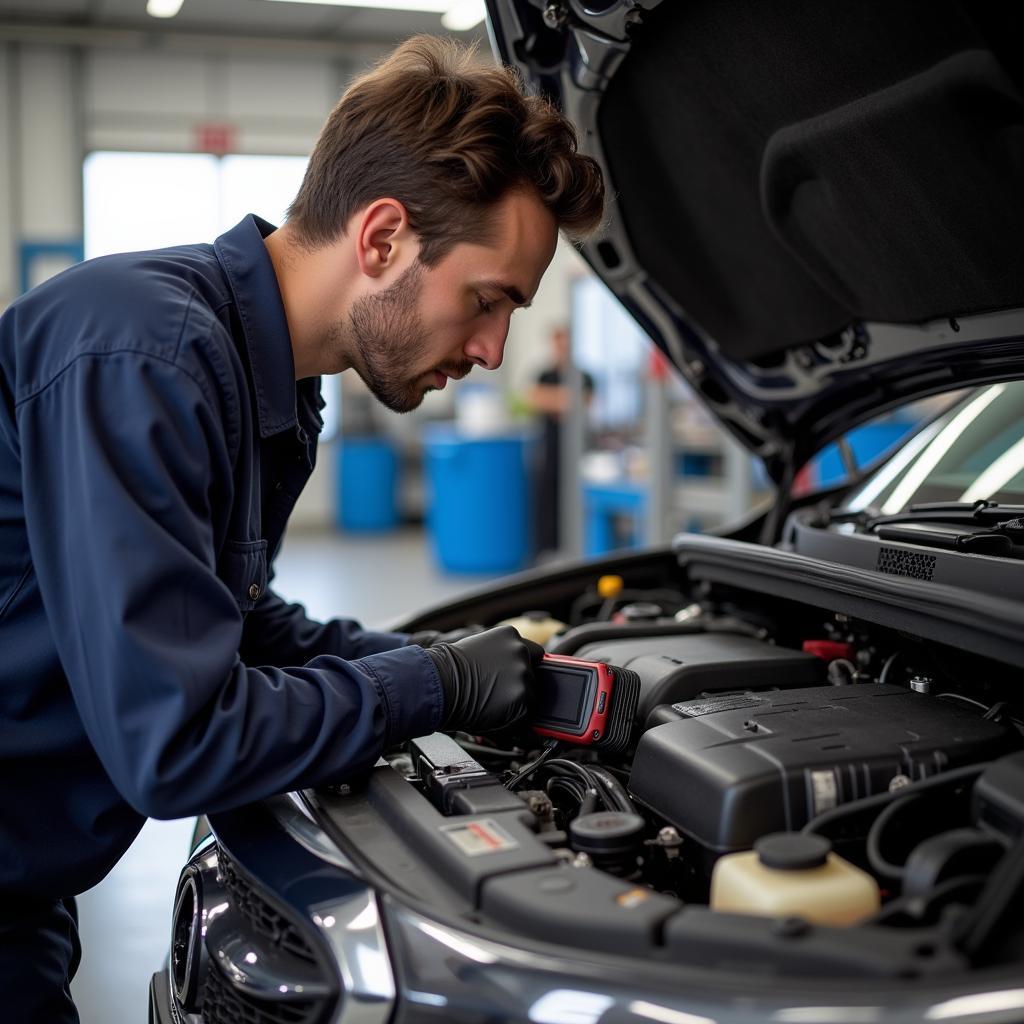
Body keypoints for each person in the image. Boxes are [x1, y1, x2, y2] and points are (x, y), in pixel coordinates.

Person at [0, 36, 604, 1022]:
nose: (494, 349)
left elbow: (228, 621)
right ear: (380, 241)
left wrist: (433, 659)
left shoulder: (273, 386)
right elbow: (180, 740)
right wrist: (429, 684)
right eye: (487, 300)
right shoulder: (142, 352)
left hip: (27, 872)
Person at [528, 326, 595, 555]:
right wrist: (568, 400)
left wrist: (556, 400)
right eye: (558, 343)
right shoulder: (544, 375)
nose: (562, 348)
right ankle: (548, 549)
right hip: (550, 449)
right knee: (547, 498)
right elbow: (536, 399)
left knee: (576, 497)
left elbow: (583, 404)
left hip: (578, 451)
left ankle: (577, 544)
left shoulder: (584, 376)